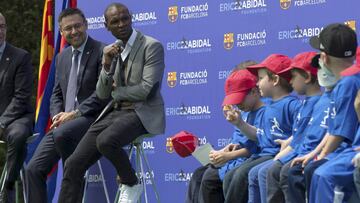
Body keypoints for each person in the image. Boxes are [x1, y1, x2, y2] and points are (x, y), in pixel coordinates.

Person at [57, 3, 165, 203]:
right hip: (114, 113)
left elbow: (147, 89)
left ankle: (131, 182)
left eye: (125, 18)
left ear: (131, 18)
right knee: (73, 164)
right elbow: (102, 92)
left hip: (142, 113)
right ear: (107, 26)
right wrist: (106, 64)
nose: (122, 24)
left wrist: (118, 92)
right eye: (115, 21)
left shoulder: (151, 46)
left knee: (106, 141)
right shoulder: (112, 50)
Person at [25, 8, 106, 203]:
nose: (74, 31)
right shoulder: (62, 57)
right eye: (68, 28)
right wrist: (57, 115)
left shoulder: (102, 51)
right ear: (61, 32)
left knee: (68, 157)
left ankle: (74, 176)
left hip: (91, 118)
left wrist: (75, 114)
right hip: (63, 123)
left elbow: (103, 94)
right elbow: (56, 93)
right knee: (33, 169)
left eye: (77, 26)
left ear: (86, 25)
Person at [287, 23, 359, 203]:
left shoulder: (348, 82)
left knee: (316, 172)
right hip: (344, 150)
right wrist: (314, 154)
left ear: (324, 58)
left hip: (348, 151)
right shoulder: (343, 82)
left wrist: (320, 157)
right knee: (305, 168)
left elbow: (339, 134)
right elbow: (334, 128)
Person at [223, 54, 301, 203]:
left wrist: (288, 146)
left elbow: (301, 133)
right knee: (232, 176)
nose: (257, 84)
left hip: (276, 154)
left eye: (260, 79)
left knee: (251, 173)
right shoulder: (269, 107)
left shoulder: (293, 105)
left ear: (275, 80)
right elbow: (259, 135)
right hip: (263, 154)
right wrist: (240, 123)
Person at [186, 61, 265, 203]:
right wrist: (223, 152)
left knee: (211, 177)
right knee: (199, 174)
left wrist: (228, 155)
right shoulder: (244, 112)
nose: (237, 104)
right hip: (236, 159)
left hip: (250, 159)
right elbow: (238, 142)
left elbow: (258, 144)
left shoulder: (264, 110)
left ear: (255, 88)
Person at [0, 12, 34, 203]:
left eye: (2, 26)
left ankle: (9, 185)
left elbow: (21, 97)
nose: (0, 31)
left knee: (19, 135)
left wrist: (1, 122)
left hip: (16, 117)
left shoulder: (20, 56)